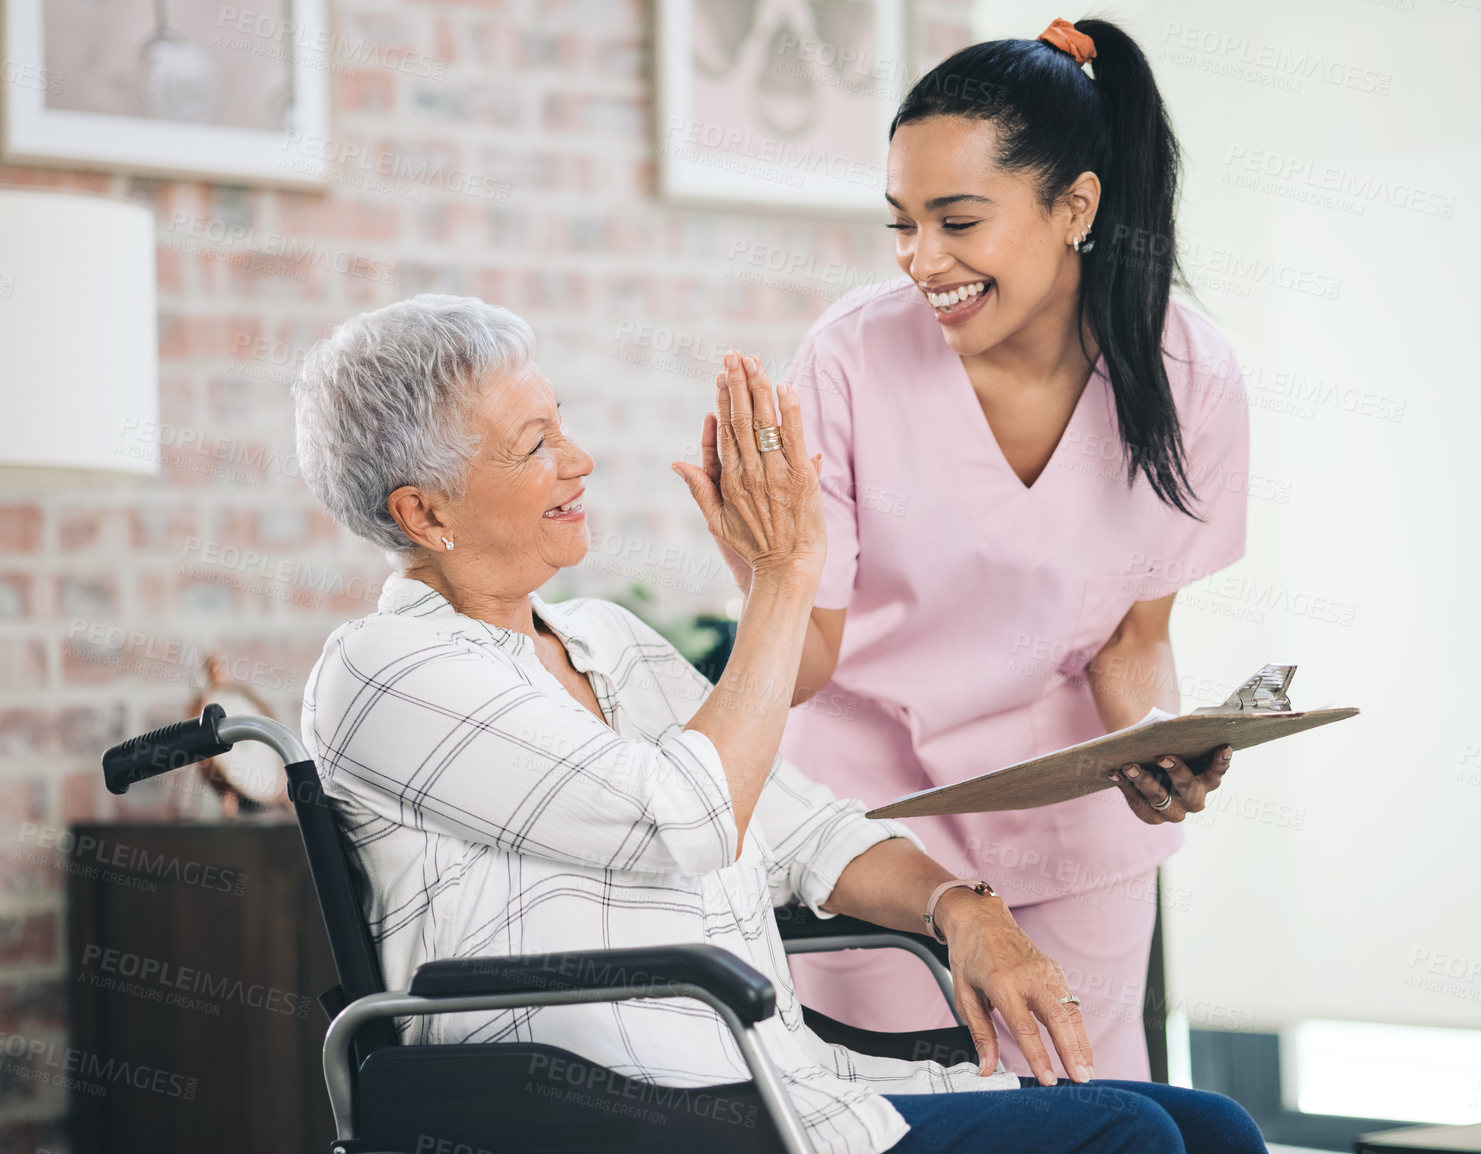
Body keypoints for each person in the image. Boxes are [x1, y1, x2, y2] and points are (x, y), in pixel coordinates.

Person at [291, 292, 1265, 1153]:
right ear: (423, 512)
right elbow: (680, 816)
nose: (578, 459)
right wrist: (787, 576)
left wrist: (965, 907)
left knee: (1214, 1127)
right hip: (615, 1106)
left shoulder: (606, 639)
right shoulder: (388, 671)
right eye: (535, 443)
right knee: (1121, 1136)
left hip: (773, 1078)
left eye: (563, 424)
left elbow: (808, 828)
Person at [745, 17, 1249, 1080]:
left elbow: (1130, 637)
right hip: (882, 829)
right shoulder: (851, 356)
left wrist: (1158, 744)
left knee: (1104, 1119)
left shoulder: (1186, 370)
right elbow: (807, 664)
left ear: (1076, 206)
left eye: (957, 220)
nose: (923, 261)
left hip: (1077, 833)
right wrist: (770, 572)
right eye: (902, 224)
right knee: (925, 1118)